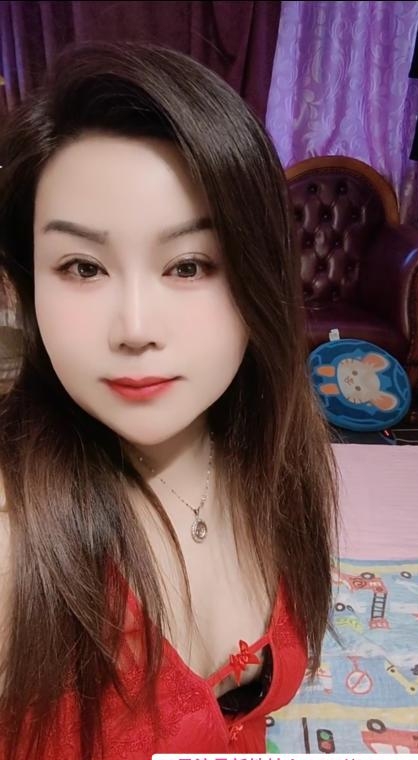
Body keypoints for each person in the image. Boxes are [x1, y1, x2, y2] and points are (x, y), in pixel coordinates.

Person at [0, 41, 338, 759]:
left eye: (188, 265)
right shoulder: (14, 537)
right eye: (81, 267)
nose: (135, 328)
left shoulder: (269, 457)